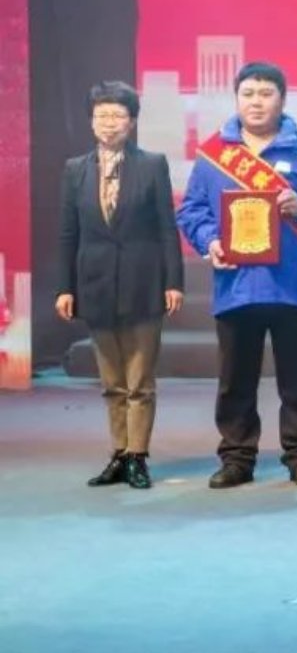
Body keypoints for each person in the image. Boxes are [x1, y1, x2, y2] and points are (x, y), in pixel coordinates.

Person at [175, 62, 297, 488]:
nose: (256, 102)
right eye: (248, 93)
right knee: (235, 381)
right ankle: (236, 458)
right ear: (236, 99)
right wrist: (211, 241)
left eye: (266, 93)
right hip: (237, 284)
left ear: (281, 100)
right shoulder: (214, 154)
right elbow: (191, 210)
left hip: (293, 284)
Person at [55, 81, 184, 490]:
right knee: (112, 382)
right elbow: (68, 233)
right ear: (91, 122)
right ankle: (119, 453)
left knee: (139, 381)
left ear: (132, 122)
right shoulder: (75, 169)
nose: (109, 123)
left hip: (143, 282)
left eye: (117, 115)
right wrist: (65, 287)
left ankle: (138, 457)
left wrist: (174, 282)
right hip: (95, 284)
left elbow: (167, 229)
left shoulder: (152, 165)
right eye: (102, 115)